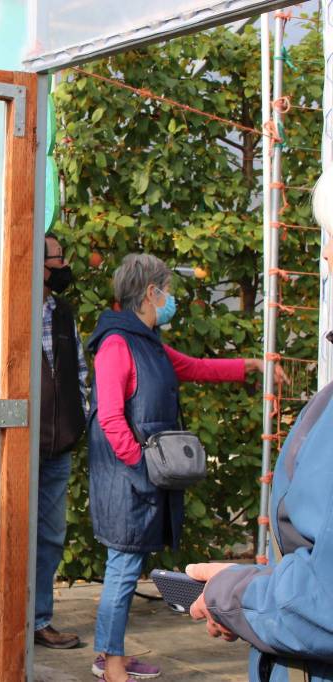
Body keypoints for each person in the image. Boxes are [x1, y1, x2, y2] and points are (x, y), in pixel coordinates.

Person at [85, 253, 281, 682]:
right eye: (167, 290)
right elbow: (111, 418)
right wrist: (141, 467)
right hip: (126, 480)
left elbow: (191, 368)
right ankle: (111, 664)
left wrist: (248, 367)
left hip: (138, 478)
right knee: (121, 570)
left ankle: (110, 652)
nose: (171, 298)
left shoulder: (146, 341)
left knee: (125, 565)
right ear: (151, 293)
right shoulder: (117, 344)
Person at [186, 173, 333, 682]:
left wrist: (237, 593)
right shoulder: (123, 344)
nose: (327, 258)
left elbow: (326, 601)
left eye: (330, 240)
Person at [33, 233, 87, 650]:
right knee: (5, 530)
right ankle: (3, 621)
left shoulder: (63, 312)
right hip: (18, 443)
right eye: (57, 258)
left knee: (50, 537)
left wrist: (78, 419)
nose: (64, 264)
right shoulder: (14, 309)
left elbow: (79, 372)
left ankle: (38, 620)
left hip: (57, 446)